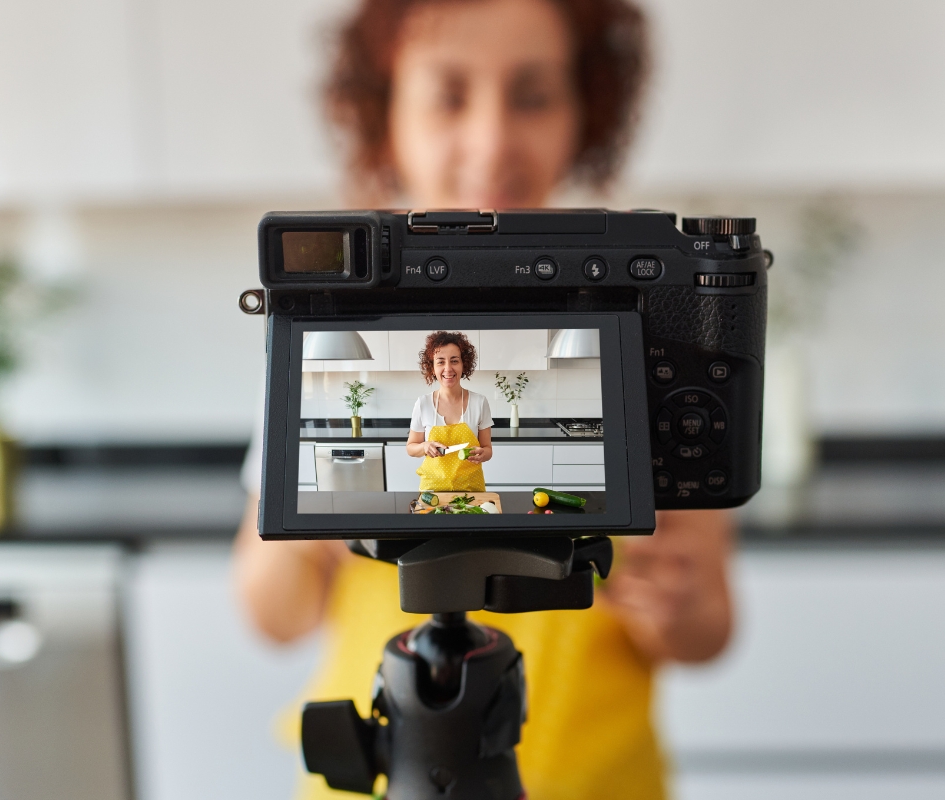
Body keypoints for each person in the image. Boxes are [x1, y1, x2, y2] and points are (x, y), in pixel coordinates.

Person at [234, 1, 734, 798]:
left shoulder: (654, 320)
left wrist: (680, 611)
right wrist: (308, 530)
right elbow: (271, 613)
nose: (494, 139)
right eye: (449, 95)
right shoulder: (341, 328)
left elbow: (710, 626)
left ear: (585, 109)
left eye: (532, 96)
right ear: (386, 111)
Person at [406, 331, 494, 492]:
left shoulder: (479, 402)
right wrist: (425, 446)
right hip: (432, 490)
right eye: (440, 362)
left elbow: (488, 449)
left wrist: (483, 454)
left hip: (471, 488)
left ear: (463, 365)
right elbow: (411, 448)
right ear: (432, 367)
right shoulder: (423, 404)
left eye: (454, 361)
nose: (448, 369)